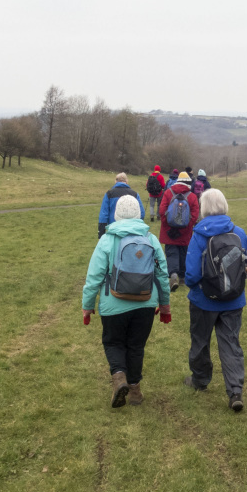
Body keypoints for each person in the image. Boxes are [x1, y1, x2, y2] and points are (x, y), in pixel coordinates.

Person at [82, 195, 171, 408]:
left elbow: (94, 276)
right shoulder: (150, 239)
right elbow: (162, 275)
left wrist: (87, 305)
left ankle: (119, 377)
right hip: (146, 303)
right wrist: (165, 304)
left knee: (113, 342)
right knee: (136, 346)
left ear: (117, 214)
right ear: (139, 213)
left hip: (113, 304)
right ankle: (135, 391)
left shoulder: (107, 239)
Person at [184, 189, 247, 411]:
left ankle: (200, 380)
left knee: (200, 341)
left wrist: (197, 288)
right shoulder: (238, 232)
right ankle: (235, 391)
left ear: (204, 208)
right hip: (234, 300)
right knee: (231, 343)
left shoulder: (198, 235)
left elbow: (190, 275)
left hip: (203, 301)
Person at [158, 170, 200, 292]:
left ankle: (173, 274)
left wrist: (169, 227)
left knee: (171, 252)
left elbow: (162, 211)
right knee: (183, 252)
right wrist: (185, 228)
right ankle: (182, 276)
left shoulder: (167, 193)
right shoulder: (192, 196)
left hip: (169, 231)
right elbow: (194, 215)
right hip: (185, 232)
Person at [97, 172, 145, 238]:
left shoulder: (109, 194)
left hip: (114, 230)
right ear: (126, 181)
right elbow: (141, 213)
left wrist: (101, 233)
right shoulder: (134, 194)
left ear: (116, 181)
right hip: (131, 231)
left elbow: (104, 214)